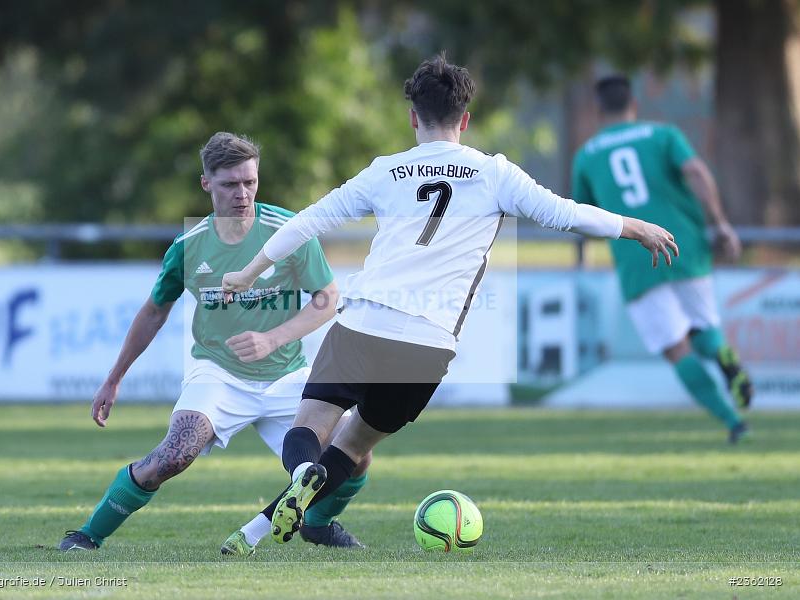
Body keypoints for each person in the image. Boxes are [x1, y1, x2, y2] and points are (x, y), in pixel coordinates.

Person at [221, 55, 679, 546]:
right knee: (353, 446)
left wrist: (248, 271)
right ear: (465, 119)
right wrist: (635, 227)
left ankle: (299, 476)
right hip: (428, 345)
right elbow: (564, 214)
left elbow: (310, 219)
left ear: (413, 116)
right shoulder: (494, 173)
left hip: (364, 324)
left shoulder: (385, 172)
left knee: (311, 428)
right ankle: (251, 534)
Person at [58, 132, 370, 556]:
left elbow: (327, 298)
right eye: (229, 184)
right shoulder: (188, 247)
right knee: (174, 454)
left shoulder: (288, 231)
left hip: (287, 374)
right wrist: (113, 379)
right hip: (218, 373)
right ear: (206, 183)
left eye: (250, 182)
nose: (242, 194)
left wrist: (272, 338)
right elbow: (154, 311)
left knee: (355, 452)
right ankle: (87, 534)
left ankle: (317, 523)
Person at [571, 75, 752, 443]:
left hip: (636, 259)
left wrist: (581, 260)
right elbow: (697, 171)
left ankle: (733, 422)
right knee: (703, 327)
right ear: (633, 105)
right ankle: (725, 357)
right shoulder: (663, 135)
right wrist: (719, 224)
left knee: (676, 346)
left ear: (598, 111)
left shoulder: (587, 156)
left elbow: (582, 216)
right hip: (684, 245)